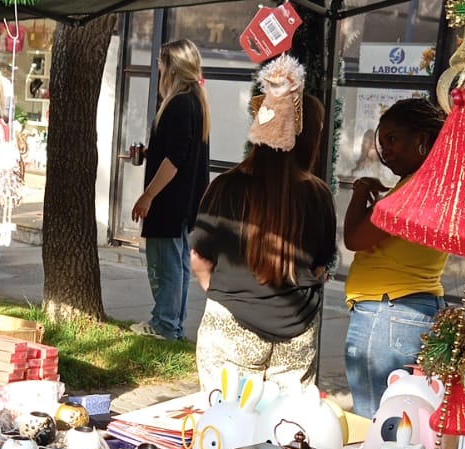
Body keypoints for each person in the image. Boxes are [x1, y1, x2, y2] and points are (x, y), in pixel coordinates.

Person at [189, 92, 335, 397]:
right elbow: (320, 267)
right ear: (311, 138)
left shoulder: (225, 187)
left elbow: (199, 259)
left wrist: (221, 291)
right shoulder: (319, 195)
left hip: (230, 326)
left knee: (227, 420)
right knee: (288, 423)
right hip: (298, 329)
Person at [343, 97, 446, 416]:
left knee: (375, 420)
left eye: (393, 139)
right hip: (406, 310)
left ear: (422, 139)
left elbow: (354, 238)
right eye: (382, 140)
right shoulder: (433, 182)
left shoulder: (413, 190)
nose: (385, 149)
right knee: (401, 420)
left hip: (389, 312)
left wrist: (361, 191)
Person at [130, 38, 210, 340]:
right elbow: (182, 151)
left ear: (172, 67)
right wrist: (151, 152)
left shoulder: (179, 103)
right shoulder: (195, 101)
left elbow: (175, 158)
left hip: (169, 200)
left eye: (161, 63)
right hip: (184, 200)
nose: (159, 69)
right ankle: (172, 324)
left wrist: (148, 195)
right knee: (177, 264)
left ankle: (164, 323)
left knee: (166, 264)